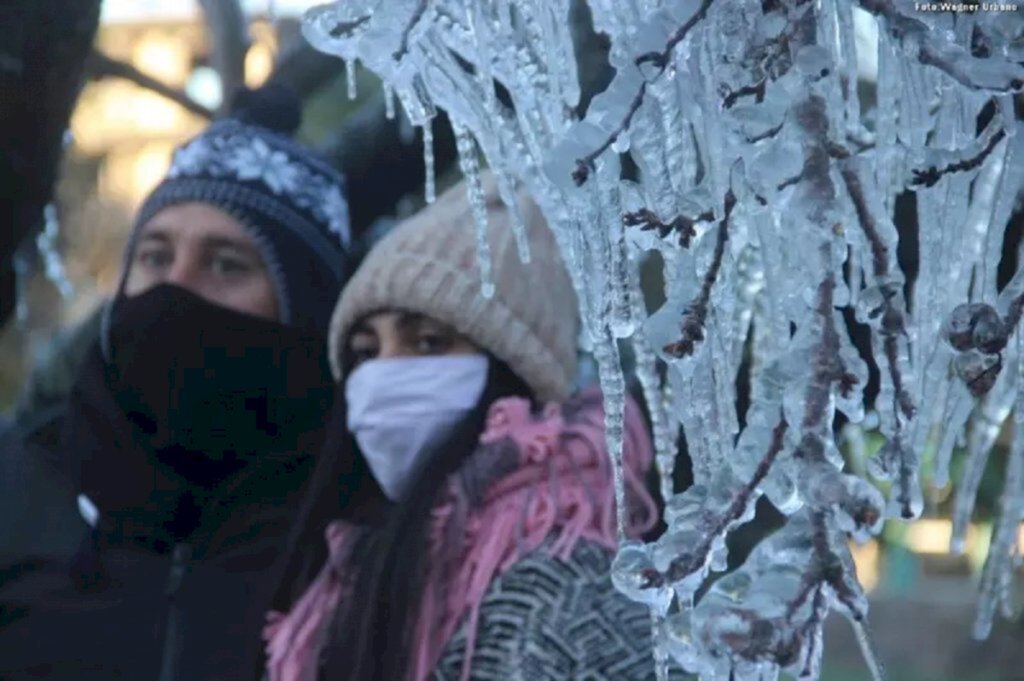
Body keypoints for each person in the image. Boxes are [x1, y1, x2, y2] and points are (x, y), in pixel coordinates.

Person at [0, 84, 352, 681]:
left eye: (226, 264)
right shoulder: (20, 482)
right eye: (155, 257)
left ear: (306, 311)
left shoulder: (350, 523)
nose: (175, 288)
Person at [264, 173, 666, 681]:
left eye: (429, 343)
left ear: (517, 373)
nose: (385, 372)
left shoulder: (565, 589)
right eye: (366, 352)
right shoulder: (352, 568)